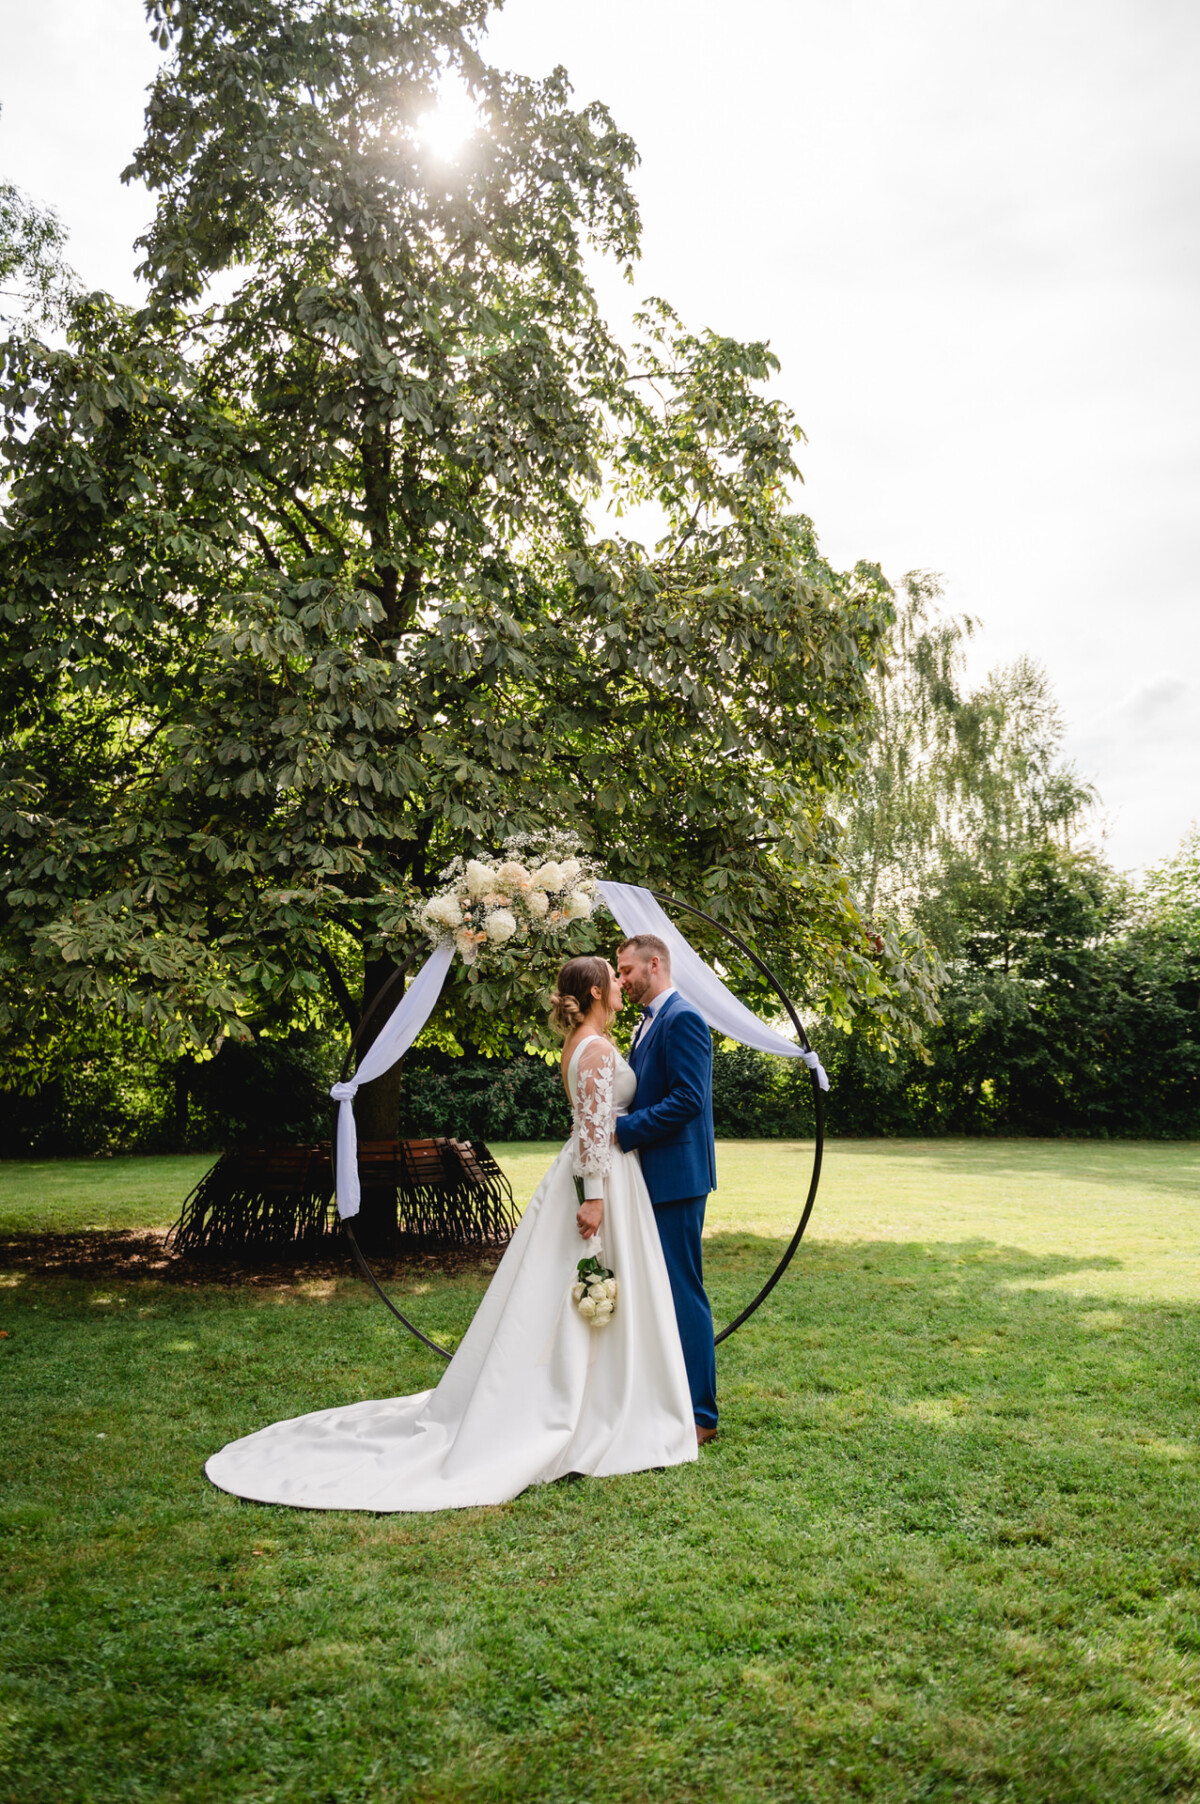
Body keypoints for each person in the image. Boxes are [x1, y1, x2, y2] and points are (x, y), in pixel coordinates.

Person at [204, 955, 697, 1513]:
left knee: (580, 1292)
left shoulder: (586, 1043)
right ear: (593, 990)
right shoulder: (597, 1050)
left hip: (606, 1175)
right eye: (612, 976)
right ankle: (590, 1407)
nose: (619, 983)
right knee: (587, 1284)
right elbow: (590, 1129)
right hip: (601, 1181)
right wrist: (595, 1201)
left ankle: (605, 1394)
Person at [614, 934, 718, 1442]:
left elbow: (688, 1100)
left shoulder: (683, 1019)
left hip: (676, 1178)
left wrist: (623, 1130)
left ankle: (701, 1415)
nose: (622, 979)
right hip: (650, 1176)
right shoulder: (646, 1024)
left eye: (628, 969)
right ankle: (665, 1397)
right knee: (659, 1291)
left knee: (682, 1291)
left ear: (655, 964)